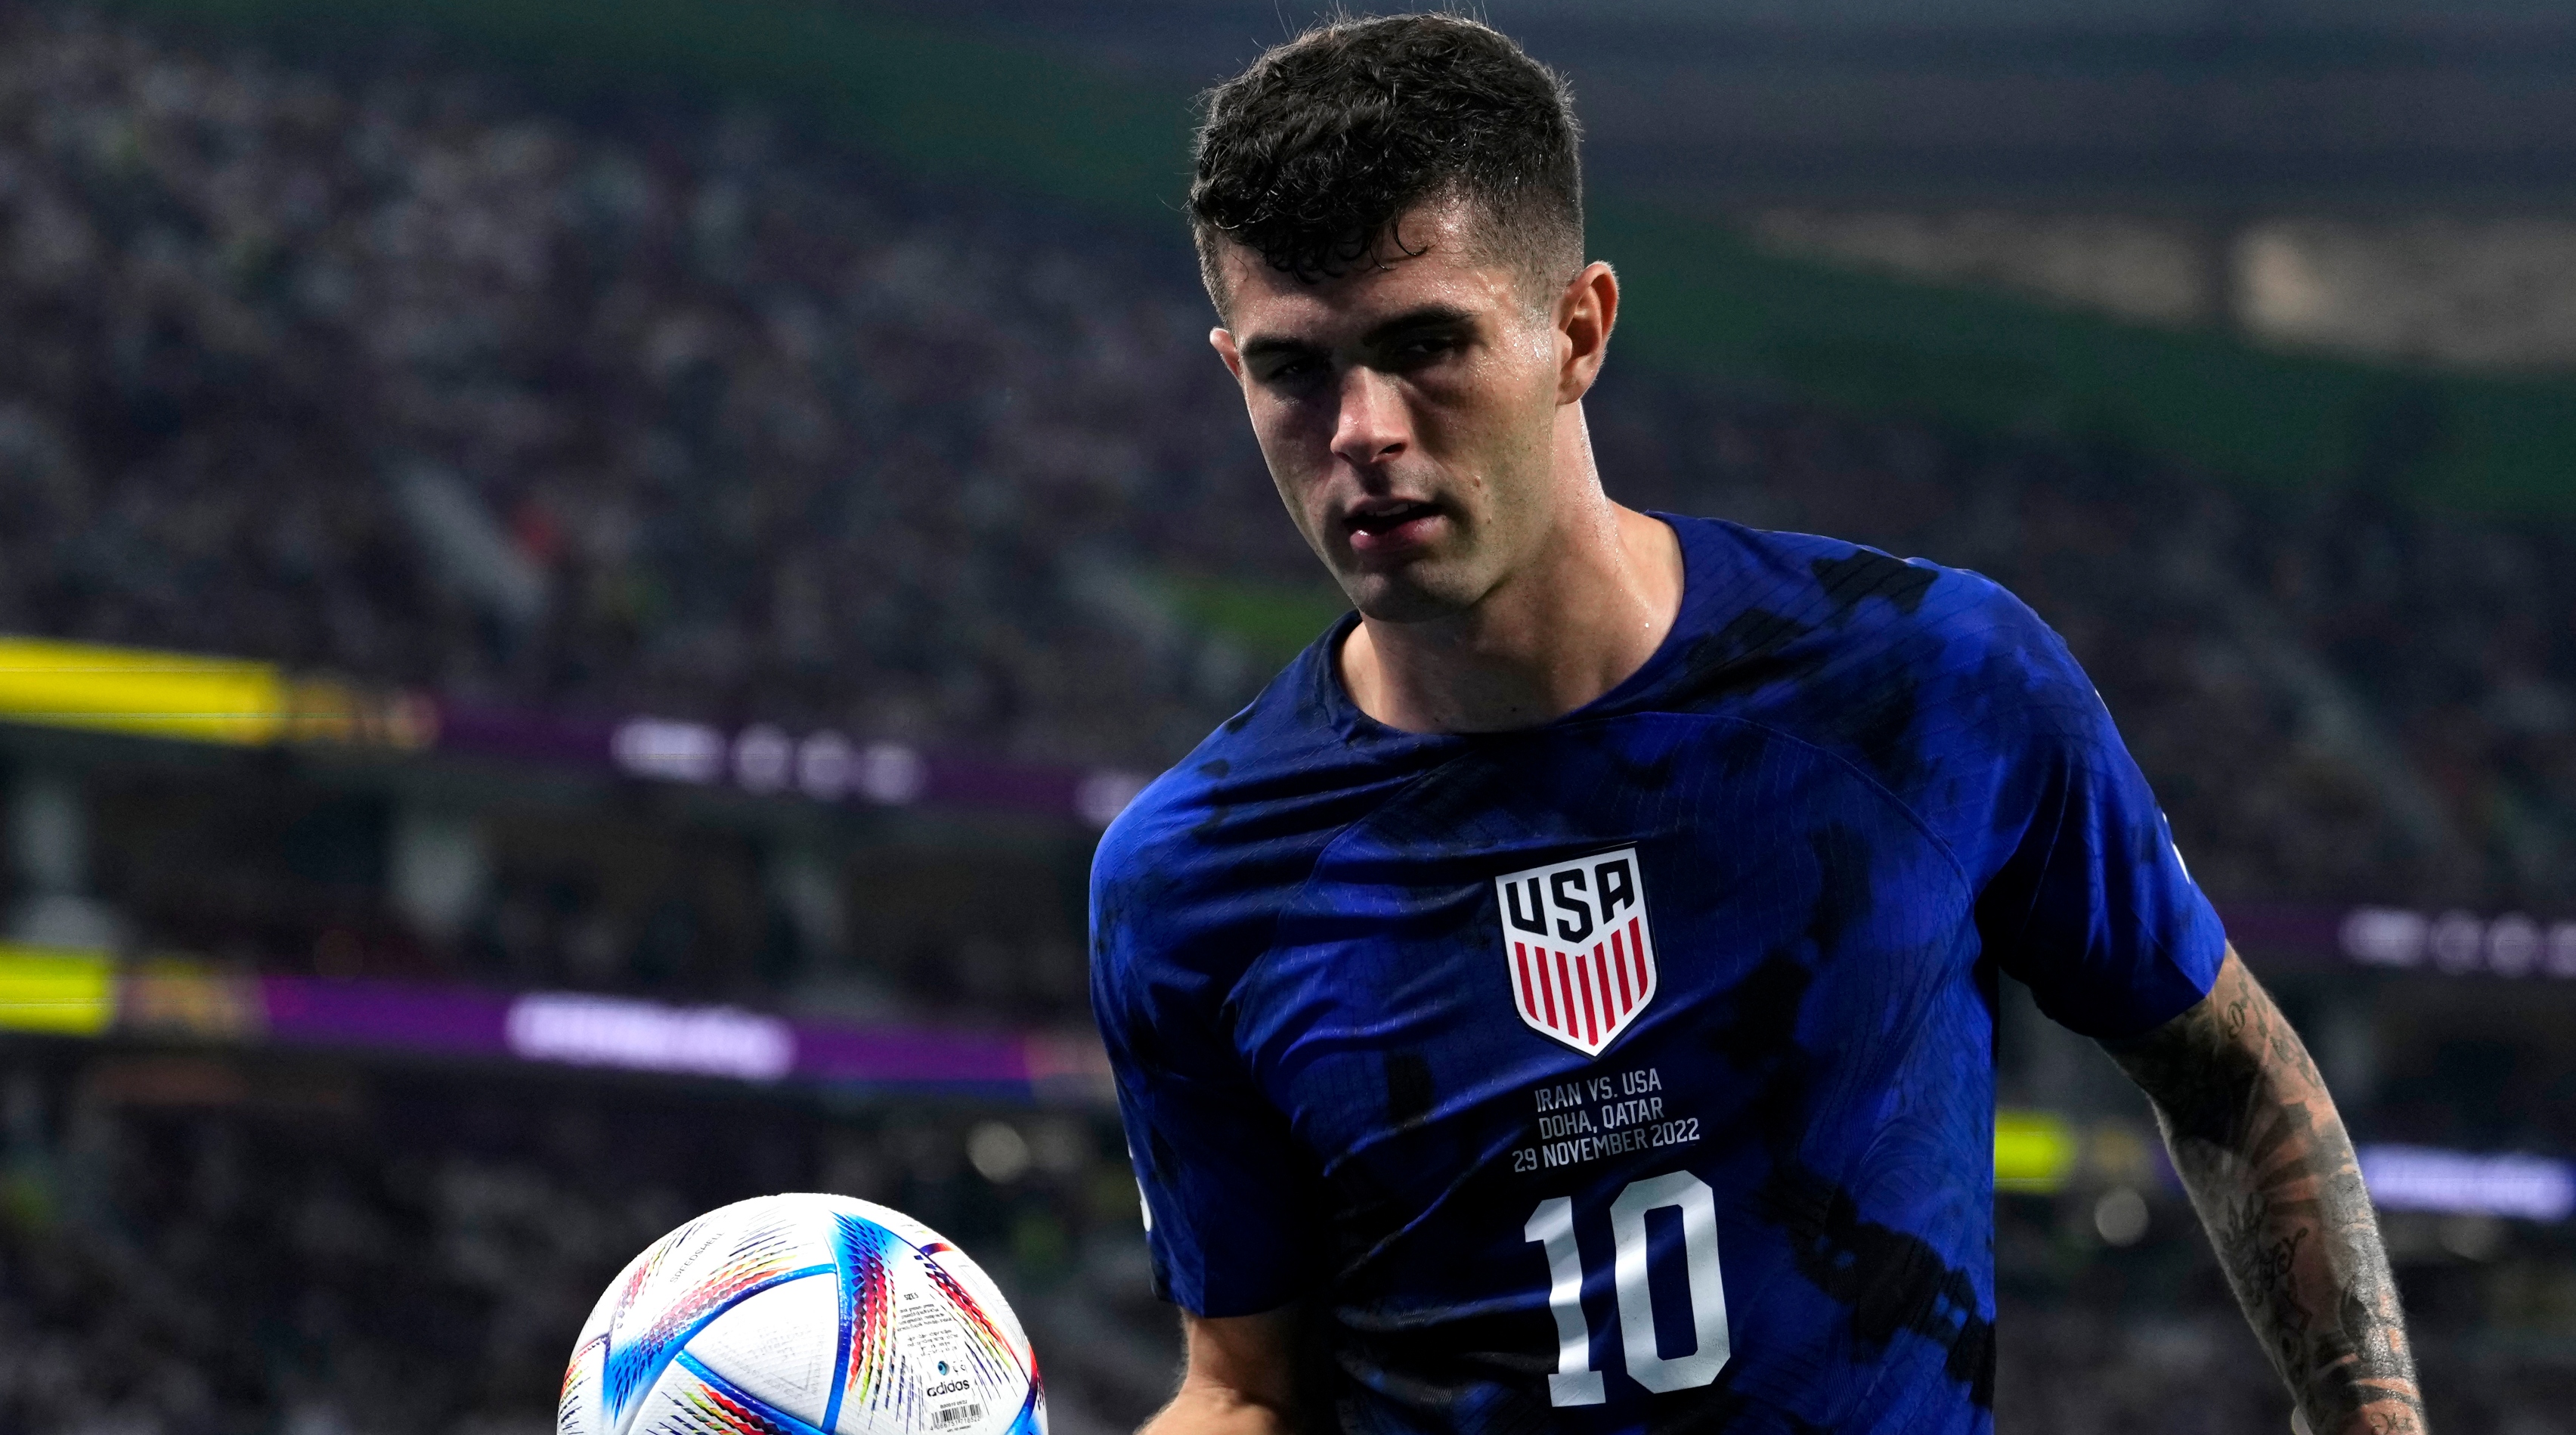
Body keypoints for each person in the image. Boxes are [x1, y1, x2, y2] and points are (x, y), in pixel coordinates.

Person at [1088, 15, 2423, 1433]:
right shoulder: (1185, 881)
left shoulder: (1930, 678)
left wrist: (2374, 1420)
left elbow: (2231, 1082)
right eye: (1296, 370)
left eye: (1426, 344)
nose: (1363, 427)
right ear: (1234, 372)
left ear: (1578, 331)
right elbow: (1247, 1387)